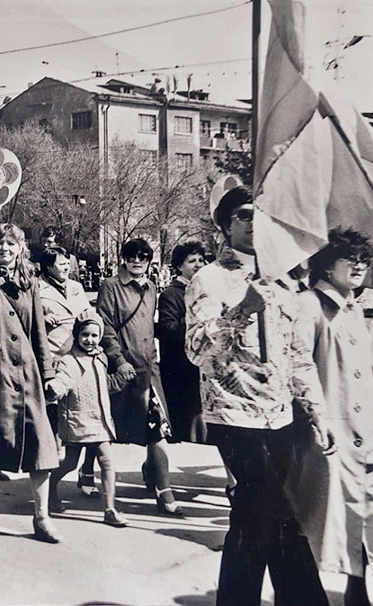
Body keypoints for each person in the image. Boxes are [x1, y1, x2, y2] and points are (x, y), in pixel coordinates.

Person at [185, 186, 334, 606]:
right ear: (227, 224)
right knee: (278, 513)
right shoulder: (209, 279)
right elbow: (196, 349)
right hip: (233, 415)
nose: (254, 223)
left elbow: (298, 357)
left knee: (255, 520)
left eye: (263, 216)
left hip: (280, 417)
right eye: (245, 215)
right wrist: (241, 311)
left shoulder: (285, 282)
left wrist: (317, 412)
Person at [0, 223, 62, 543]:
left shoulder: (30, 282)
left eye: (11, 244)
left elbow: (38, 335)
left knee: (41, 446)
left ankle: (42, 516)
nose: (5, 249)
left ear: (21, 248)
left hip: (27, 374)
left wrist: (48, 375)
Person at [288, 228, 373, 606]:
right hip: (329, 433)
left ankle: (358, 591)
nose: (359, 265)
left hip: (365, 430)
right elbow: (299, 364)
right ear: (327, 262)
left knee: (363, 519)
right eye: (350, 258)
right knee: (321, 525)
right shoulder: (309, 305)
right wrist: (317, 415)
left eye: (364, 259)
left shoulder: (355, 306)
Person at [97, 238, 181, 516]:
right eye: (132, 256)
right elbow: (105, 326)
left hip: (149, 368)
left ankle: (163, 486)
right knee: (106, 427)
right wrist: (118, 360)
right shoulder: (111, 286)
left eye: (143, 257)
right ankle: (86, 470)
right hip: (122, 367)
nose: (137, 261)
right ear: (124, 258)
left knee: (158, 425)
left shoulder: (153, 287)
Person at [46, 310, 129, 527]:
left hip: (99, 420)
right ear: (76, 335)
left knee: (107, 462)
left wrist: (120, 379)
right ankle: (49, 490)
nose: (89, 340)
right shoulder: (68, 361)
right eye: (84, 335)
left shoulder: (101, 357)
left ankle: (109, 509)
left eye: (94, 335)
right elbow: (64, 380)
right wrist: (55, 388)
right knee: (70, 463)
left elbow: (102, 384)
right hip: (78, 420)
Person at [37, 245, 95, 494]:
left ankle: (79, 470)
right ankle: (48, 480)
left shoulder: (76, 287)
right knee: (52, 418)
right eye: (61, 263)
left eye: (67, 263)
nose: (66, 267)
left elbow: (86, 315)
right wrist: (42, 319)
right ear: (48, 266)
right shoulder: (37, 287)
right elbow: (29, 318)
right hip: (51, 359)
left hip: (76, 357)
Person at [157, 241, 206, 443]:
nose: (198, 265)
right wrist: (192, 319)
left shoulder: (205, 291)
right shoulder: (171, 294)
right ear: (179, 266)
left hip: (201, 369)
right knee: (185, 425)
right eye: (191, 261)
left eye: (201, 260)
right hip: (180, 369)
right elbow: (169, 331)